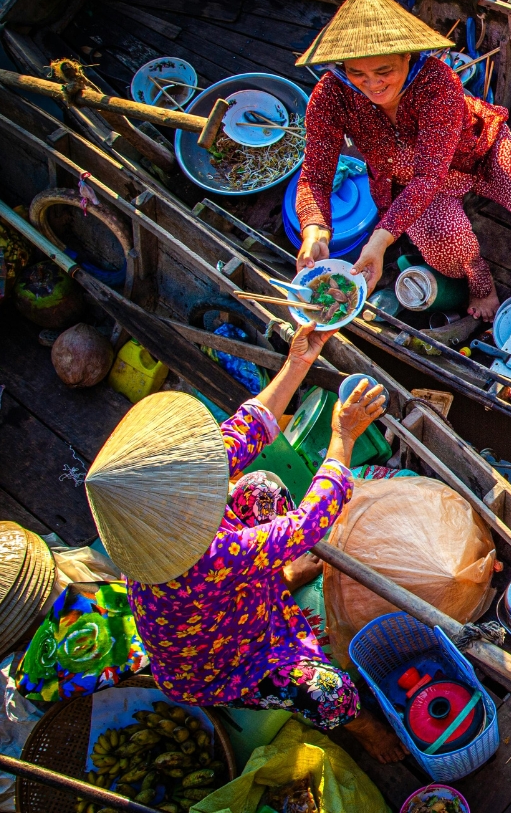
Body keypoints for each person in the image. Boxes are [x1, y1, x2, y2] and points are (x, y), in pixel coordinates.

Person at [83, 322, 405, 763]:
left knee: (260, 488)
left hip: (230, 600)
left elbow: (247, 428)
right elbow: (309, 523)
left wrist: (299, 361)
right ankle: (364, 729)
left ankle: (280, 578)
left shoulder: (173, 485)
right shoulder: (205, 557)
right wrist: (343, 436)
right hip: (225, 659)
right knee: (327, 692)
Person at [292, 0, 511, 320]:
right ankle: (482, 282)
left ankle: (496, 182)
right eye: (357, 73)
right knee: (448, 253)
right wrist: (315, 230)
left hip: (475, 152)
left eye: (384, 71)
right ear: (343, 68)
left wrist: (378, 243)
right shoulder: (331, 95)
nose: (372, 84)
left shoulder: (438, 82)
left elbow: (429, 175)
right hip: (409, 184)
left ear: (407, 56)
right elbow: (314, 178)